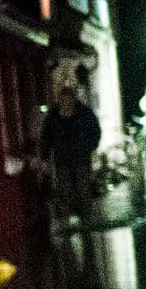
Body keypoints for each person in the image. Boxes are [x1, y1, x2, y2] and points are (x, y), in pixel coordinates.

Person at [38, 94, 102, 225]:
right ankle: (66, 219)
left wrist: (90, 147)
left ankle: (86, 219)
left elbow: (95, 131)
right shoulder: (53, 117)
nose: (65, 103)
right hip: (62, 159)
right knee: (64, 190)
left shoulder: (84, 113)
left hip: (81, 158)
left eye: (68, 100)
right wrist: (45, 156)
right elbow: (46, 137)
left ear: (73, 100)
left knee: (83, 188)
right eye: (63, 101)